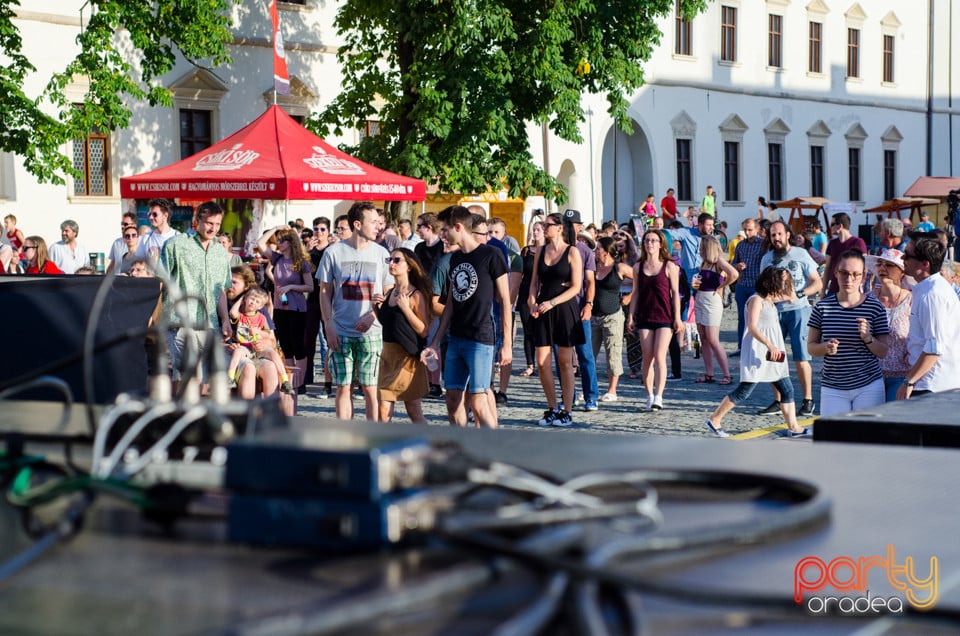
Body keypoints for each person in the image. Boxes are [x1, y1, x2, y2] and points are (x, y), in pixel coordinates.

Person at [424, 205, 511, 428]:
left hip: (480, 338)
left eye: (445, 229)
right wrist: (435, 341)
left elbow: (505, 300)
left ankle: (495, 451)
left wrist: (507, 343)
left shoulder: (491, 255)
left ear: (458, 227)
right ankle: (462, 447)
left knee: (479, 401)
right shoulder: (454, 259)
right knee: (452, 401)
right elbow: (451, 303)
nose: (442, 234)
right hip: (456, 338)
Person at [703, 267, 808, 438]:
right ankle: (714, 419)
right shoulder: (756, 300)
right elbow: (752, 327)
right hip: (759, 351)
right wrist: (770, 345)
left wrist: (791, 286)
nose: (784, 285)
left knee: (787, 389)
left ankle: (793, 427)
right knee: (744, 391)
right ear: (772, 281)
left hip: (772, 354)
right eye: (781, 281)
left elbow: (789, 296)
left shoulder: (769, 300)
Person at [318, 202, 394, 420]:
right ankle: (345, 435)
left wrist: (373, 315)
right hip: (340, 329)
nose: (378, 226)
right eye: (373, 222)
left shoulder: (381, 253)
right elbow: (324, 292)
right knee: (343, 387)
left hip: (372, 331)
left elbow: (389, 291)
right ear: (358, 224)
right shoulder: (333, 252)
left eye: (379, 223)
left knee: (371, 389)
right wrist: (328, 325)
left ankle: (372, 433)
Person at [161, 201, 232, 390]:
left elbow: (221, 289)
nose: (213, 228)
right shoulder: (175, 245)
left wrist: (225, 320)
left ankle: (199, 418)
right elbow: (160, 283)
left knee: (209, 381)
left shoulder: (220, 252)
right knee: (188, 376)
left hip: (210, 326)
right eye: (209, 223)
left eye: (217, 224)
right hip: (181, 322)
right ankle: (182, 417)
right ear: (197, 220)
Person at [808, 250, 889, 416]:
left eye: (855, 274)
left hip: (868, 385)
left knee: (865, 439)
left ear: (864, 276)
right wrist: (825, 347)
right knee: (834, 439)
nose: (849, 279)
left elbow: (883, 352)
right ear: (836, 273)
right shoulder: (822, 307)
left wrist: (868, 338)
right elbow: (811, 348)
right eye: (844, 273)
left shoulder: (875, 308)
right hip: (833, 387)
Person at [757, 220, 823, 417]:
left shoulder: (801, 254)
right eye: (772, 235)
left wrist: (800, 295)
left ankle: (808, 400)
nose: (776, 238)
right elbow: (761, 287)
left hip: (798, 311)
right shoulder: (767, 258)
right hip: (774, 312)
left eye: (779, 234)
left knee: (801, 357)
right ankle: (778, 401)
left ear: (787, 235)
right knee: (773, 356)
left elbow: (817, 283)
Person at [527, 212, 584, 427]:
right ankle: (552, 407)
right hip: (542, 309)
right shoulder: (540, 250)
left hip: (563, 308)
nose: (544, 228)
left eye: (548, 225)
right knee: (542, 362)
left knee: (564, 362)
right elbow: (533, 282)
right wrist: (532, 301)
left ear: (559, 228)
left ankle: (567, 410)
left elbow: (576, 287)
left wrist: (552, 302)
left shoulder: (572, 252)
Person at [897, 235, 960, 399]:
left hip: (932, 385)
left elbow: (934, 347)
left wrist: (909, 382)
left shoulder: (932, 295)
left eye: (907, 255)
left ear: (925, 264)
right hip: (932, 382)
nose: (902, 258)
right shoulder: (929, 289)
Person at [627, 229, 683, 411]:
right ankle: (649, 395)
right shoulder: (638, 267)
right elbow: (635, 293)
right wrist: (630, 316)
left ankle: (659, 396)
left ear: (660, 244)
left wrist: (677, 318)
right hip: (644, 316)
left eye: (653, 241)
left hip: (664, 316)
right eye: (647, 240)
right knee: (647, 358)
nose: (650, 244)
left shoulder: (669, 266)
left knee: (660, 356)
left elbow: (675, 293)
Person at [374, 248, 431, 424]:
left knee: (413, 408)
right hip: (388, 356)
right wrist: (376, 308)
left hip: (407, 358)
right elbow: (390, 325)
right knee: (383, 410)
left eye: (397, 260)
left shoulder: (416, 295)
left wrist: (406, 309)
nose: (391, 263)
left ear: (409, 266)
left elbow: (423, 330)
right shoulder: (390, 292)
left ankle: (428, 444)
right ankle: (384, 445)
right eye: (390, 259)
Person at [258, 226, 314, 394]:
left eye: (282, 240)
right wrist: (275, 228)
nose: (278, 243)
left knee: (298, 346)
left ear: (290, 243)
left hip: (297, 308)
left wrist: (291, 286)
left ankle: (301, 380)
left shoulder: (300, 262)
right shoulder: (277, 259)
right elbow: (260, 243)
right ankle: (290, 378)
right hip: (280, 307)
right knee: (286, 345)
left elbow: (310, 287)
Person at [560, 209, 599, 411]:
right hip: (559, 308)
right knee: (562, 356)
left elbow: (590, 282)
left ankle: (591, 396)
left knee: (585, 354)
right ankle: (569, 395)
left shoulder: (584, 251)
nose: (567, 227)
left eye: (572, 224)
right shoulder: (556, 248)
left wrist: (589, 304)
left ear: (579, 227)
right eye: (565, 223)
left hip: (579, 307)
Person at [865, 248, 913, 402]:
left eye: (890, 265)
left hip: (901, 376)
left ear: (902, 271)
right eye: (880, 264)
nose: (883, 268)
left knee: (893, 423)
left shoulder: (913, 301)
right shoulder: (867, 300)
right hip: (869, 375)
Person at [226, 287, 292, 393]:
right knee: (237, 352)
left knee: (272, 353)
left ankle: (285, 381)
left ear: (261, 306)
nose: (253, 303)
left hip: (258, 347)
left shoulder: (262, 318)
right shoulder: (241, 316)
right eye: (251, 299)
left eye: (257, 302)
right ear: (246, 300)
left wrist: (258, 332)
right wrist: (241, 298)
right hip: (244, 347)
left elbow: (267, 334)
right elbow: (233, 313)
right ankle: (230, 377)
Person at [692, 235, 738, 385]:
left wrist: (721, 286)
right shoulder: (704, 262)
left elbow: (734, 274)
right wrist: (695, 284)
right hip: (700, 298)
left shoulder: (718, 261)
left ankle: (727, 374)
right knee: (703, 337)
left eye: (702, 246)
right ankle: (709, 373)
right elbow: (698, 283)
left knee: (712, 339)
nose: (700, 249)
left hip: (712, 300)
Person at [592, 236, 633, 401]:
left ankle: (612, 390)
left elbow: (640, 279)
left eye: (598, 249)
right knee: (588, 354)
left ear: (606, 251)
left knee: (613, 353)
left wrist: (630, 296)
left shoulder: (619, 268)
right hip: (593, 316)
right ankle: (590, 387)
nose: (595, 251)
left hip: (613, 316)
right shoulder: (594, 267)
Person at [517, 220, 544, 377]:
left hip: (543, 295)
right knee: (528, 330)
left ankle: (542, 363)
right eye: (534, 230)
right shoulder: (526, 251)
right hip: (525, 293)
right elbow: (519, 274)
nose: (535, 233)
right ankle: (530, 364)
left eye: (538, 230)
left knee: (541, 331)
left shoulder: (548, 251)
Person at [824, 212, 868, 295]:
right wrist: (823, 291)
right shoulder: (832, 243)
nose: (830, 227)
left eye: (832, 224)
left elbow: (865, 267)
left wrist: (860, 285)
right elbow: (827, 268)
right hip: (834, 289)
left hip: (852, 290)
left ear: (840, 226)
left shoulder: (858, 242)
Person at [137, 198, 180, 271]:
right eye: (149, 214)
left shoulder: (177, 237)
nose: (151, 217)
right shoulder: (146, 238)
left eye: (154, 214)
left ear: (165, 216)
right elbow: (139, 263)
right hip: (152, 281)